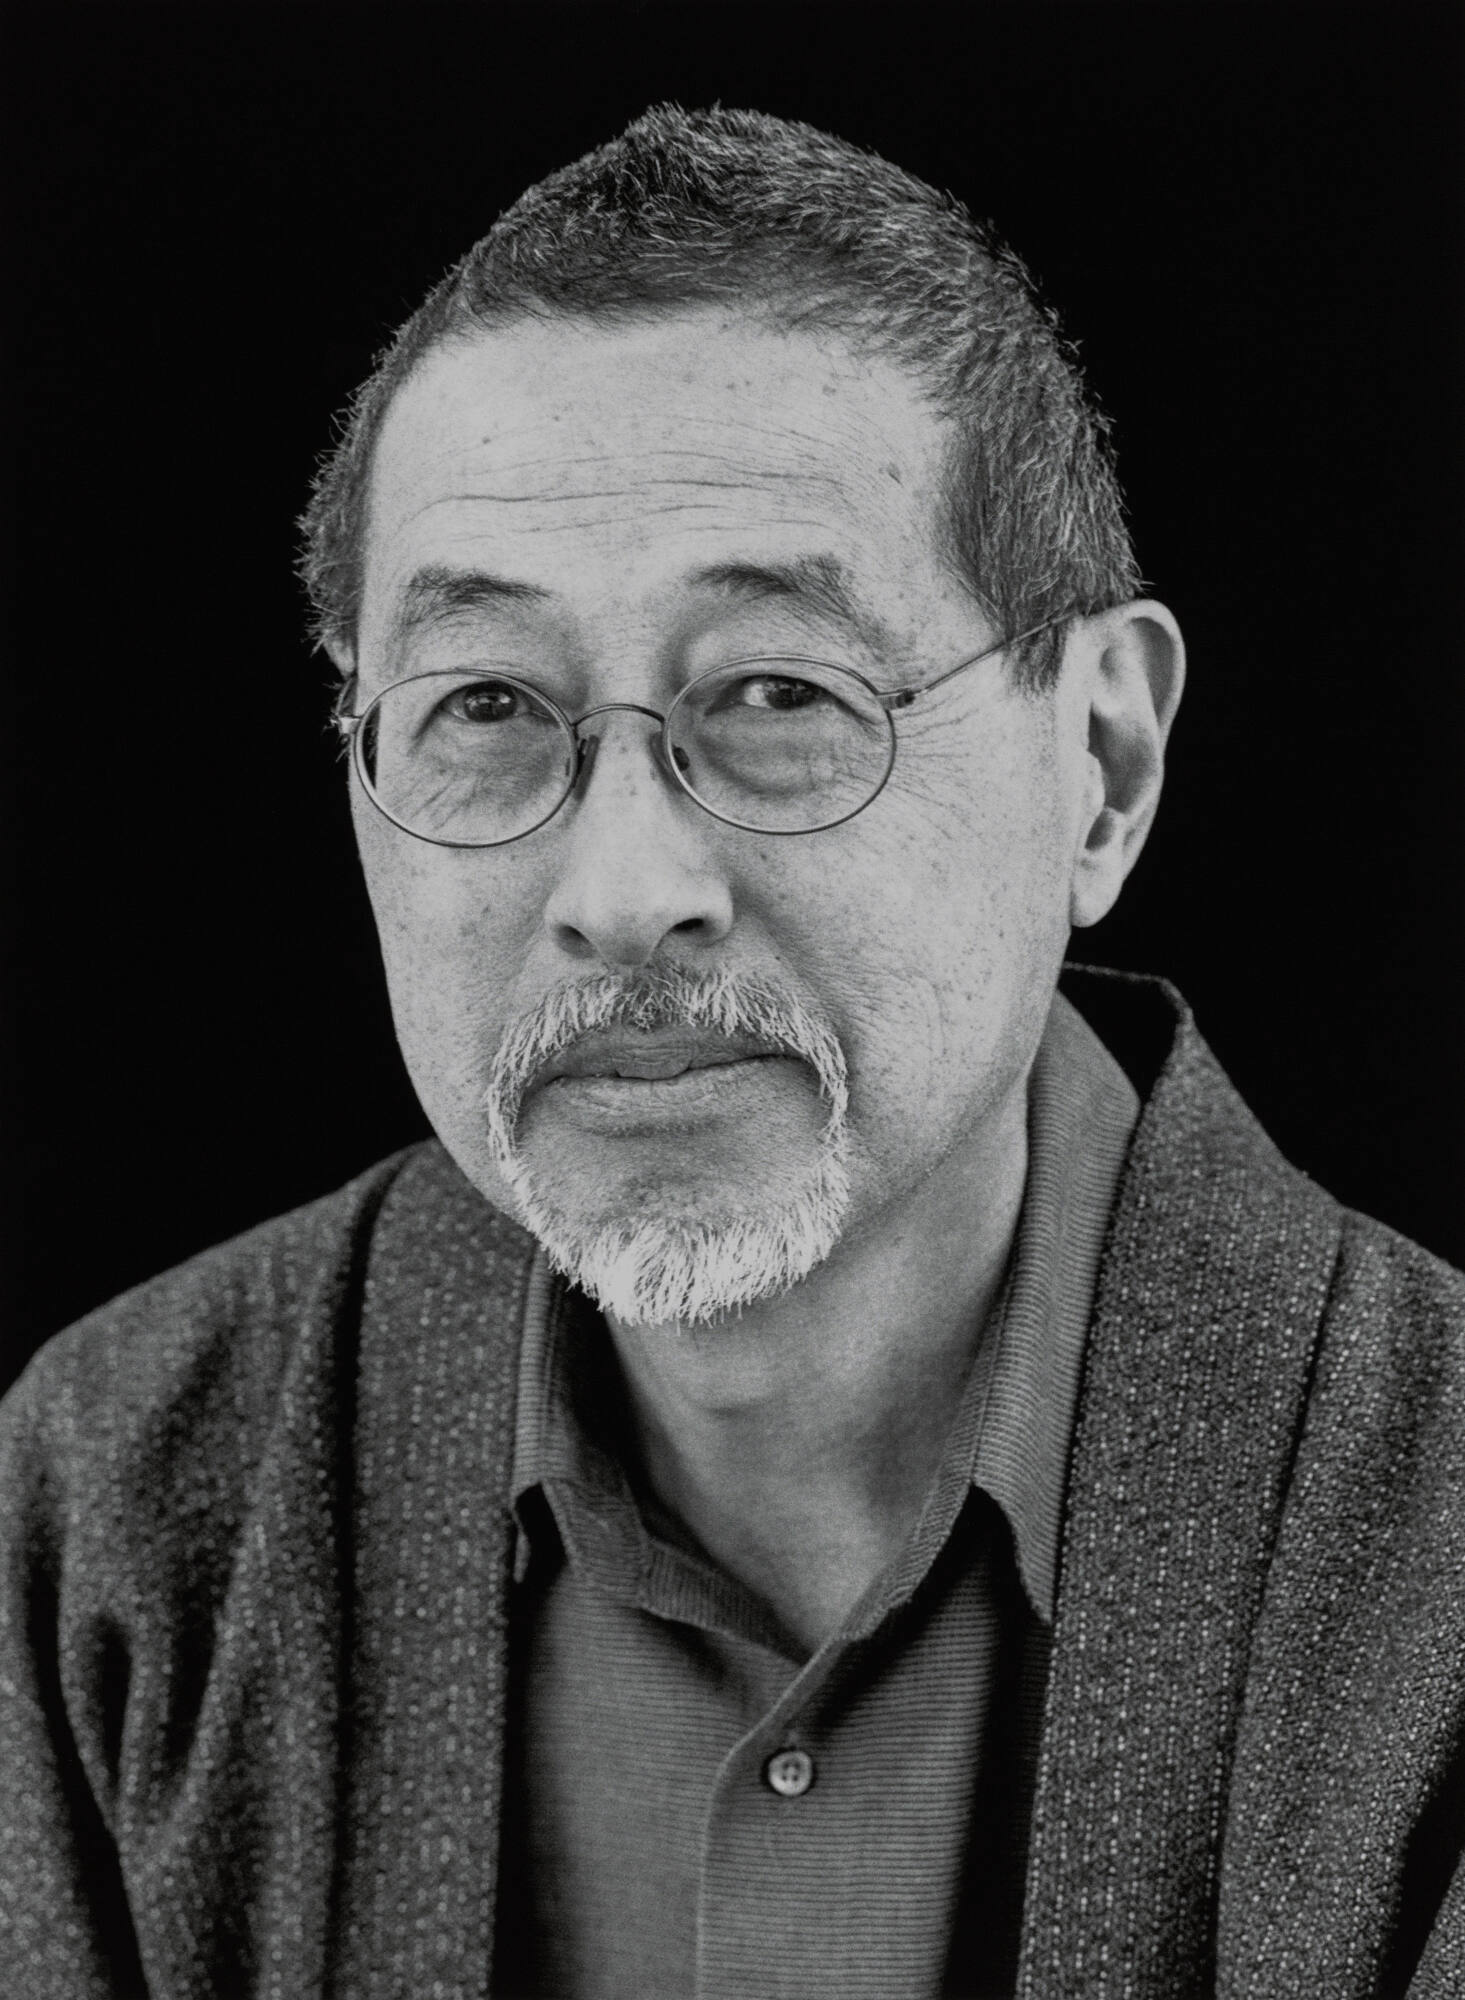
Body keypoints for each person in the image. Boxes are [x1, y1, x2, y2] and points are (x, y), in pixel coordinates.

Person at [0, 102, 1460, 2000]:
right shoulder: (112, 1517)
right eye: (484, 706)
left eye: (777, 692)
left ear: (1101, 761)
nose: (623, 891)